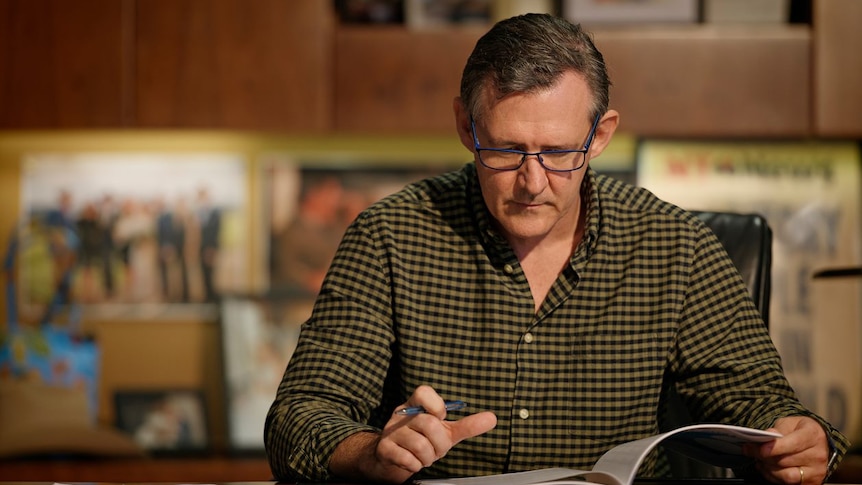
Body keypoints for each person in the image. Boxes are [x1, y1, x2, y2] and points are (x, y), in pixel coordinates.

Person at [264, 13, 848, 485]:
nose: (532, 182)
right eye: (507, 150)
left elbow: (757, 403)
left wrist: (798, 439)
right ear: (467, 126)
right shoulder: (390, 237)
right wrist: (368, 452)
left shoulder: (676, 247)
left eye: (559, 152)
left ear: (600, 135)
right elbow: (299, 417)